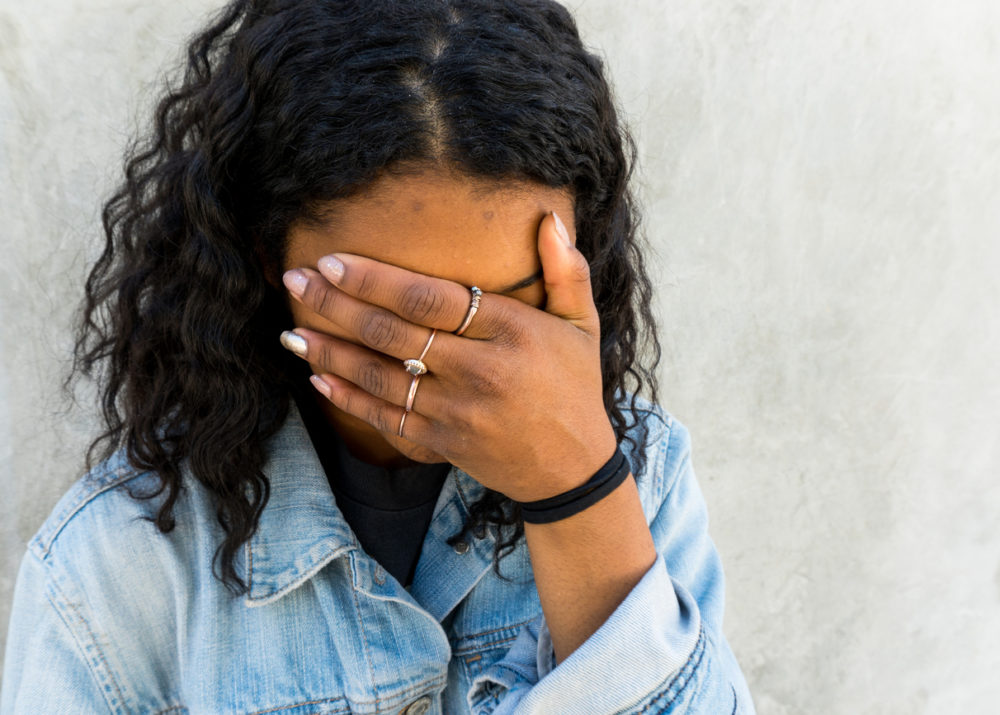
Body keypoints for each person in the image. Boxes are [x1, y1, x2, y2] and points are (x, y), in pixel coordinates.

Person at [1, 0, 755, 712]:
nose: (449, 365)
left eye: (505, 306)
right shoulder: (119, 566)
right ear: (267, 255)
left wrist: (578, 486)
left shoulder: (643, 477)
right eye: (387, 314)